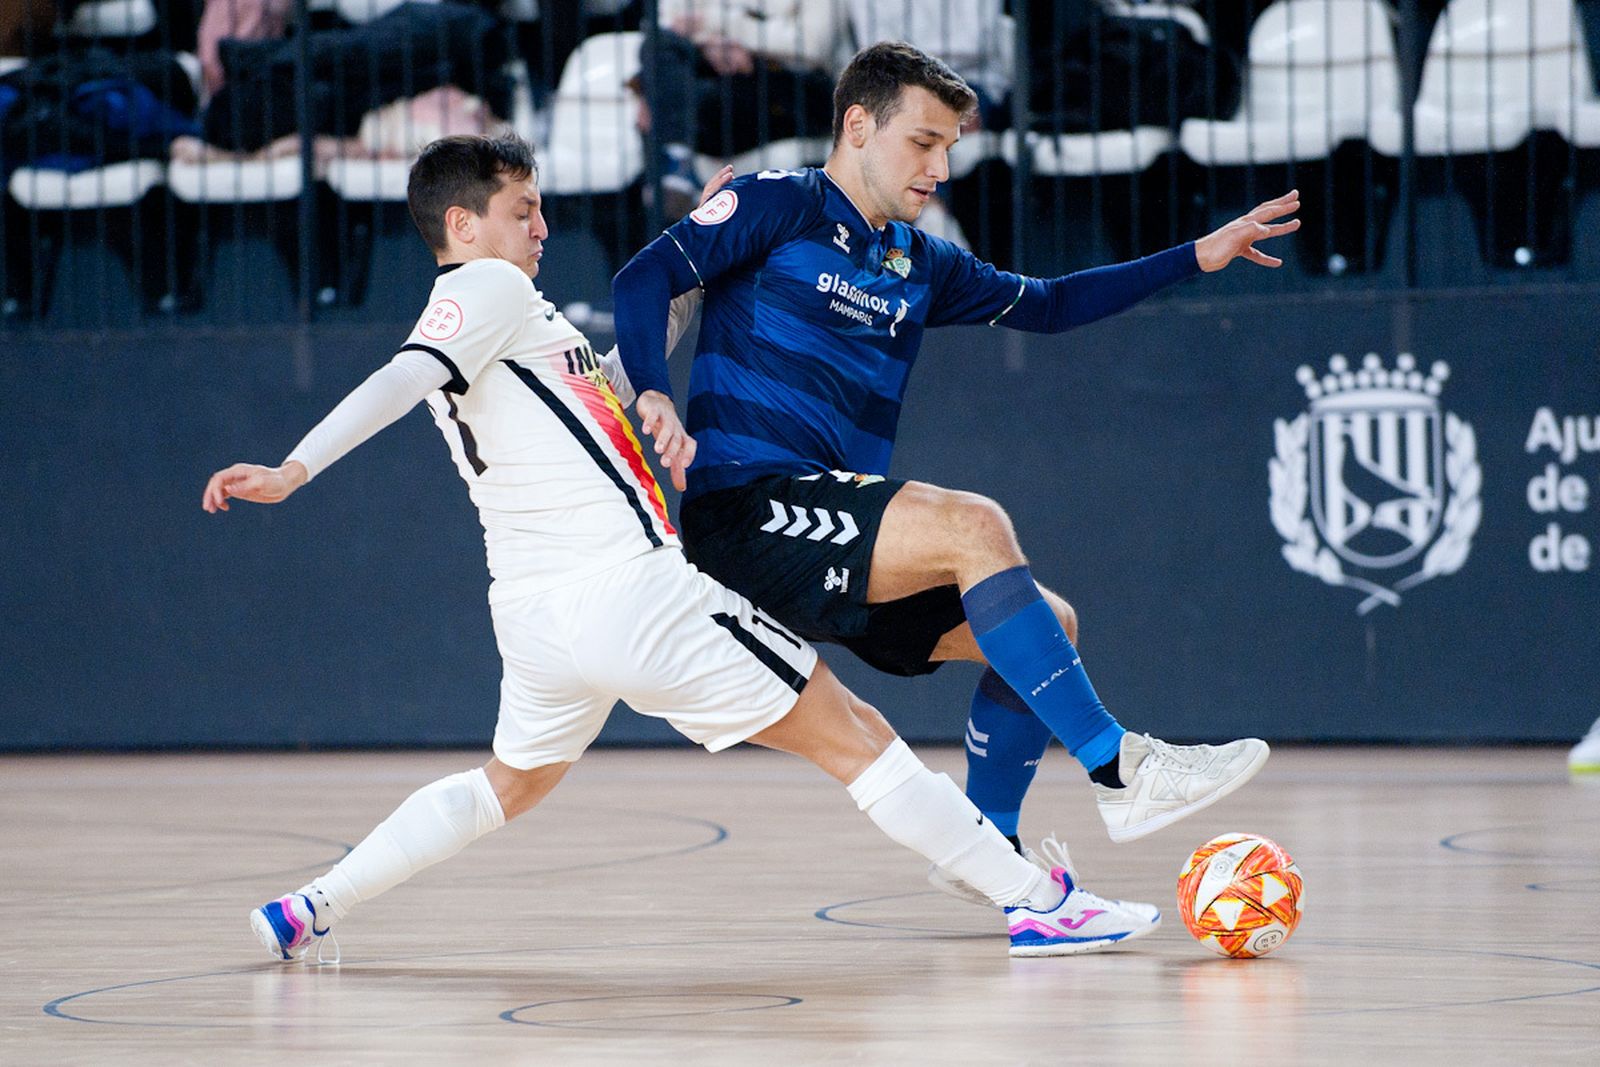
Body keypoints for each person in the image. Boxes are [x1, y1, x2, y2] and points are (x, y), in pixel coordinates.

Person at [201, 132, 1162, 962]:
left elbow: (612, 387)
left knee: (507, 785)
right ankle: (1036, 903)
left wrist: (698, 269)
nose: (541, 226)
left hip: (535, 619)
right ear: (463, 225)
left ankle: (311, 905)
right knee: (856, 734)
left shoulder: (523, 331)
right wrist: (295, 467)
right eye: (522, 210)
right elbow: (406, 371)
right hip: (629, 594)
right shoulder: (483, 288)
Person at [610, 42, 1296, 903]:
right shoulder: (775, 202)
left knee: (1048, 625)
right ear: (858, 126)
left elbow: (1050, 304)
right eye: (923, 142)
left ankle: (989, 848)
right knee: (973, 525)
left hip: (835, 538)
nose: (939, 167)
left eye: (950, 148)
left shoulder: (921, 260)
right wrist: (652, 391)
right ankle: (1118, 767)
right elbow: (645, 277)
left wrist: (1195, 255)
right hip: (748, 514)